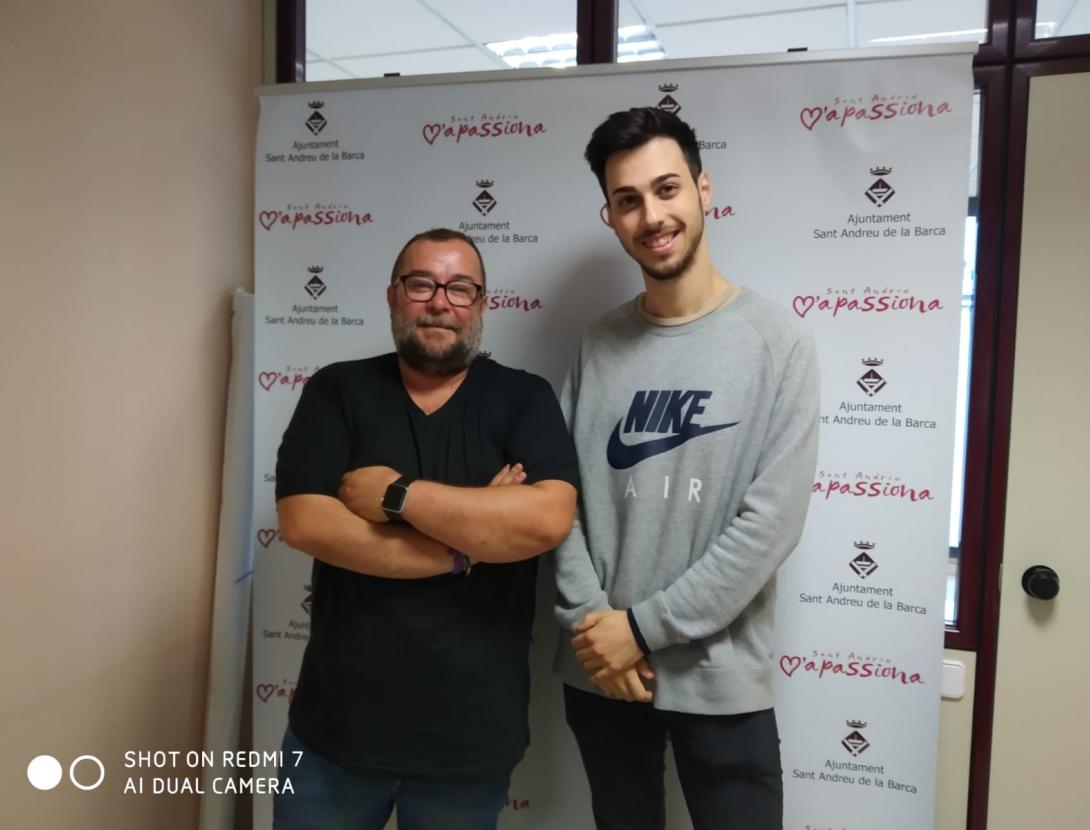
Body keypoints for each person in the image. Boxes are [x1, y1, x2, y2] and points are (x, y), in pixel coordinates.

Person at [552, 107, 820, 830]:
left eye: (667, 189)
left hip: (720, 679)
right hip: (604, 675)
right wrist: (595, 630)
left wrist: (641, 630)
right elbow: (558, 502)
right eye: (628, 200)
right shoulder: (598, 343)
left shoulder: (778, 342)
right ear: (610, 217)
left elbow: (770, 526)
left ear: (703, 189)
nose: (652, 216)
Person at [273, 227, 579, 829]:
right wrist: (469, 547)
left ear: (482, 304)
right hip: (333, 737)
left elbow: (546, 518)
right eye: (421, 285)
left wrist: (397, 495)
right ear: (393, 296)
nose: (440, 302)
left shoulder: (524, 398)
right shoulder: (338, 390)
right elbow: (306, 522)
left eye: (460, 288)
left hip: (468, 747)